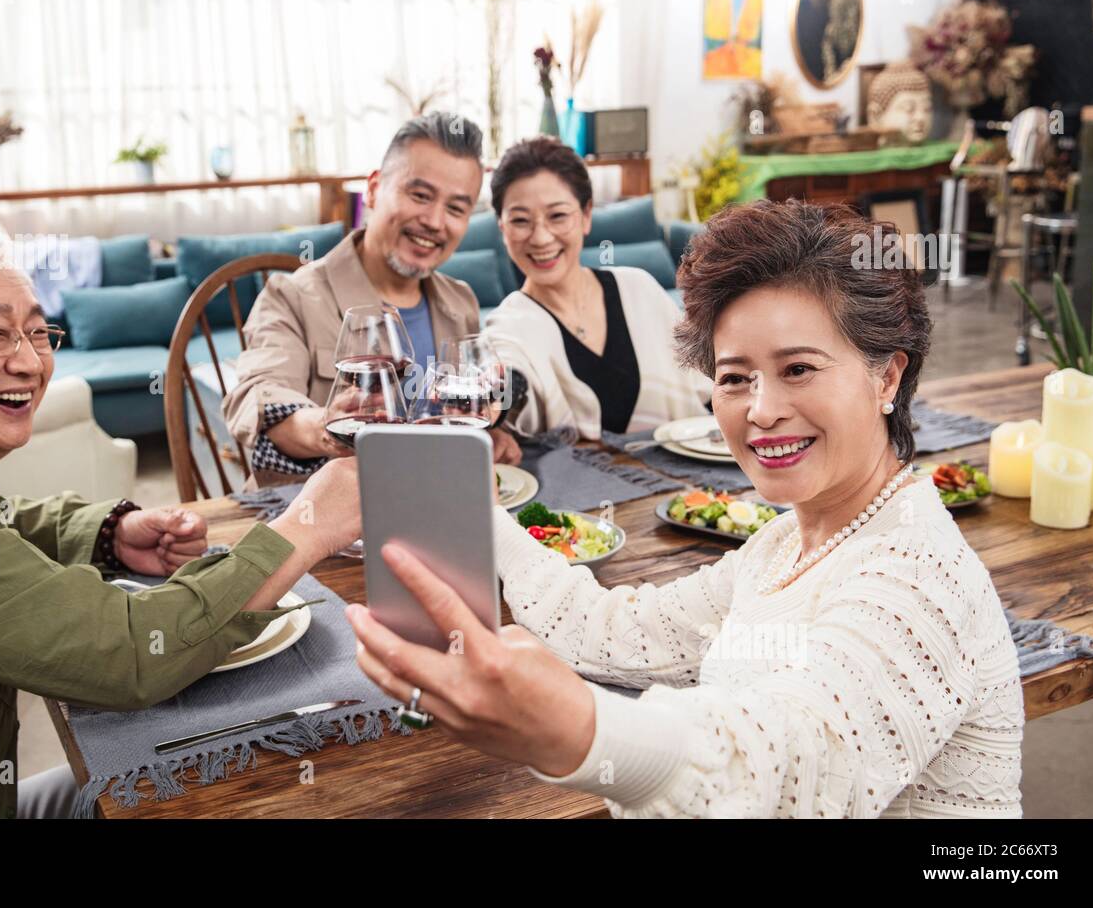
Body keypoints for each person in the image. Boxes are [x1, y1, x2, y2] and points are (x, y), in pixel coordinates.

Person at [347, 199, 1024, 818]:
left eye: (798, 369)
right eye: (735, 378)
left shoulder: (917, 569)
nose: (761, 411)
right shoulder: (787, 545)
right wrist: (465, 503)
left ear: (888, 375)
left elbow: (795, 761)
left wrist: (578, 728)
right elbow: (617, 629)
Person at [0, 212, 361, 818]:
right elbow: (125, 654)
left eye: (39, 333)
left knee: (187, 777)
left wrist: (107, 533)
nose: (29, 362)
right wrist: (307, 527)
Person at [223, 111, 521, 484]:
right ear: (375, 188)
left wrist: (483, 434)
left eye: (455, 208)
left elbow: (456, 413)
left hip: (426, 506)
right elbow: (259, 400)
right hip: (307, 518)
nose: (434, 221)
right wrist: (329, 426)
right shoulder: (291, 295)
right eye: (420, 195)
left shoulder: (460, 301)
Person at [481, 136, 712, 439]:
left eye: (558, 216)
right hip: (576, 486)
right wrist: (492, 399)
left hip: (690, 484)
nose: (540, 238)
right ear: (502, 227)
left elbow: (709, 383)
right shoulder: (507, 326)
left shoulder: (639, 288)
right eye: (521, 220)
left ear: (586, 215)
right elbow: (509, 380)